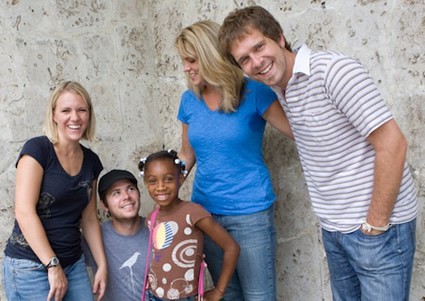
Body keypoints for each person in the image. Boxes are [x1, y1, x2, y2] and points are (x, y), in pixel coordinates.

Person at [219, 5, 418, 301]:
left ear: (279, 37)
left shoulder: (332, 72)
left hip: (377, 230)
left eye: (259, 47)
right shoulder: (279, 89)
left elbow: (393, 144)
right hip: (335, 230)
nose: (256, 62)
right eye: (244, 59)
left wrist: (376, 224)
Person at [174, 20, 292, 301]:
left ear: (210, 55)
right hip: (206, 215)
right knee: (226, 295)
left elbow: (296, 131)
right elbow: (187, 155)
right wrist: (166, 197)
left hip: (250, 214)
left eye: (192, 60)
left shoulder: (255, 93)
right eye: (184, 61)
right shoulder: (189, 100)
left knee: (259, 296)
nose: (186, 68)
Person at [3, 81, 108, 301]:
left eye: (82, 110)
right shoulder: (38, 150)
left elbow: (89, 218)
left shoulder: (91, 162)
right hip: (31, 265)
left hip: (72, 262)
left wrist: (102, 264)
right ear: (54, 115)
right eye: (66, 110)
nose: (75, 117)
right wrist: (52, 264)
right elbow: (23, 211)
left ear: (89, 115)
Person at [138, 149, 240, 301]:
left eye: (168, 179)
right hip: (154, 295)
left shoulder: (193, 213)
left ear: (180, 178)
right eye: (153, 181)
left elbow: (232, 247)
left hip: (184, 296)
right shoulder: (152, 217)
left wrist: (219, 291)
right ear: (146, 183)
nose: (161, 187)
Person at [82, 169, 149, 301]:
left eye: (130, 189)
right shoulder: (95, 237)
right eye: (116, 193)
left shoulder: (157, 230)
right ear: (104, 205)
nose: (126, 196)